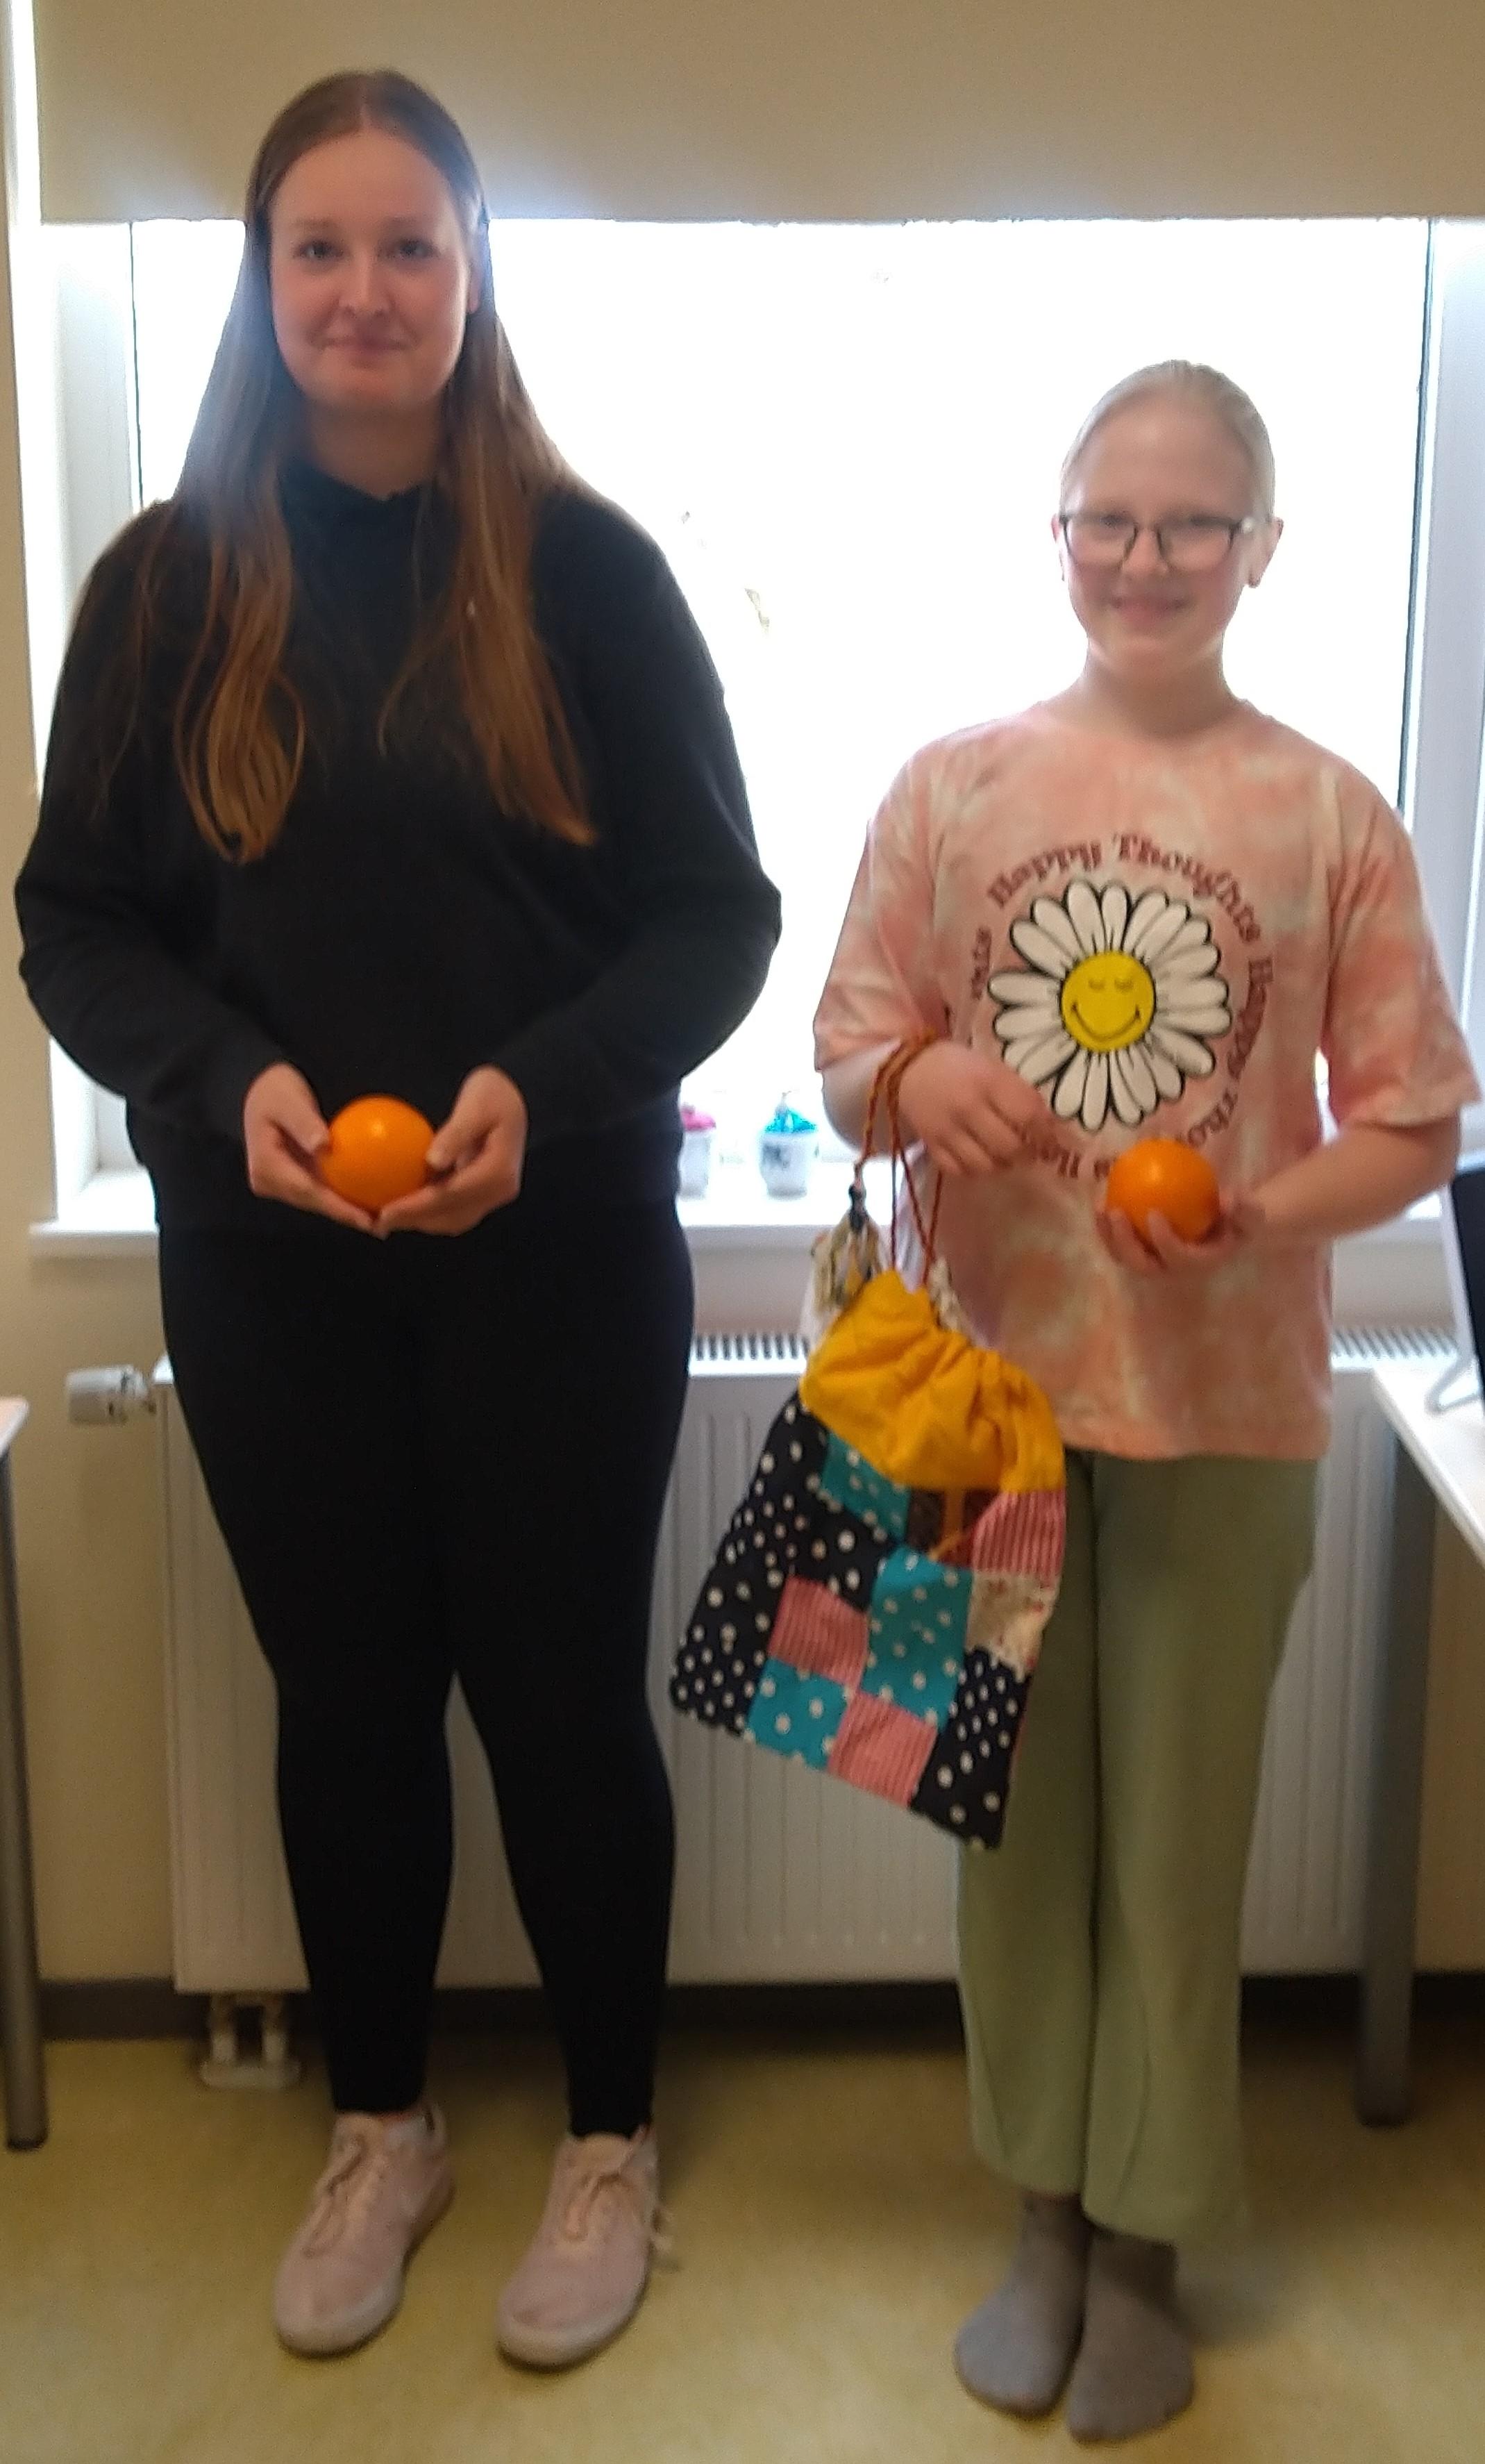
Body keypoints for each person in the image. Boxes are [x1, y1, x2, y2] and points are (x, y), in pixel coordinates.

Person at [15, 70, 779, 2367]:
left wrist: (533, 1091)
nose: (365, 290)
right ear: (261, 281)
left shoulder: (587, 573)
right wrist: (220, 1079)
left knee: (558, 1699)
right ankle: (383, 2124)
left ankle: (609, 2139)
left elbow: (713, 919)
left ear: (472, 276)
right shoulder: (163, 587)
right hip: (270, 1268)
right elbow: (75, 921)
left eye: (410, 246)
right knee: (345, 1701)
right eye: (319, 248)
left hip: (556, 1255)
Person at [812, 361, 1476, 2442]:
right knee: (1004, 1840)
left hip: (1226, 1409)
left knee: (1176, 1855)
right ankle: (1040, 2210)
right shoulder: (949, 787)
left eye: (1193, 523)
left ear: (1262, 550)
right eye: (1110, 516)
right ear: (1059, 535)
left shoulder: (1327, 813)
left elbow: (1418, 1121)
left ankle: (1146, 2238)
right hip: (970, 1408)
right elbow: (846, 1053)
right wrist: (918, 1075)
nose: (1147, 556)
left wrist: (1260, 1210)